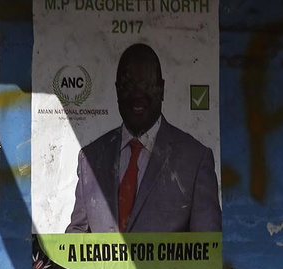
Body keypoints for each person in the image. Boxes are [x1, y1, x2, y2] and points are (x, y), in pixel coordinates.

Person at [67, 43, 222, 234]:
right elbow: (76, 239)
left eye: (147, 84)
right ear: (117, 90)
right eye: (129, 84)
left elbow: (206, 251)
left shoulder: (195, 160)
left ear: (162, 89)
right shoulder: (90, 159)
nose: (138, 95)